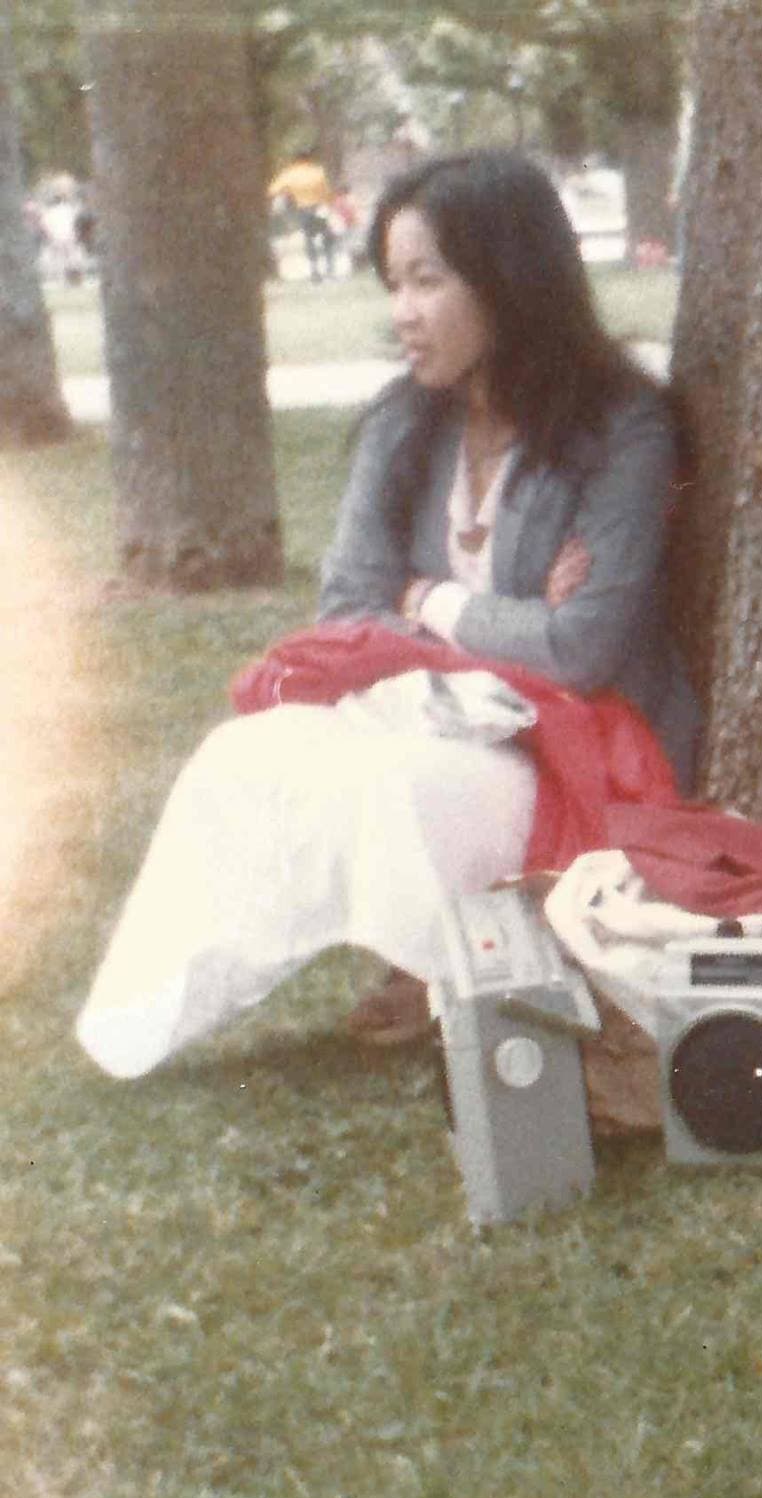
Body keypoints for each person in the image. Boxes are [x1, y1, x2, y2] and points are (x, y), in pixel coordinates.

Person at [77, 149, 697, 1076]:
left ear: (509, 278)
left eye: (427, 280)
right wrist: (494, 621)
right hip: (439, 715)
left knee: (404, 782)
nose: (402, 311)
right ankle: (146, 1024)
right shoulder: (406, 424)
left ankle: (451, 978)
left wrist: (430, 599)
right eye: (393, 283)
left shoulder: (623, 429)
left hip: (580, 748)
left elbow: (582, 650)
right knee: (241, 757)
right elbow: (347, 613)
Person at [268, 148, 336, 281]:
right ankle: (329, 269)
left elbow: (272, 190)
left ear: (295, 160)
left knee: (309, 240)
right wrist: (329, 205)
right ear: (309, 159)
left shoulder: (289, 174)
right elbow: (327, 192)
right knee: (327, 238)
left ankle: (315, 271)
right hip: (320, 208)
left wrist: (288, 194)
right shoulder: (318, 171)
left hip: (303, 210)